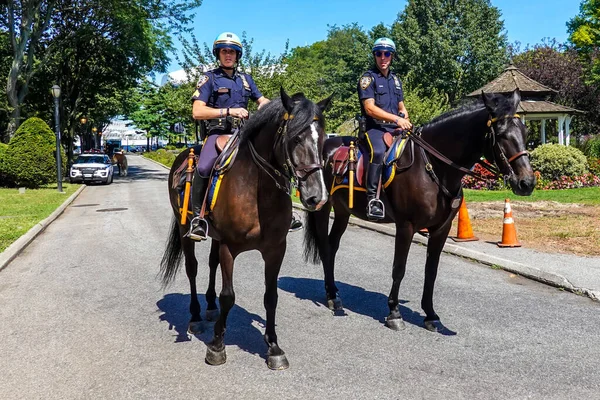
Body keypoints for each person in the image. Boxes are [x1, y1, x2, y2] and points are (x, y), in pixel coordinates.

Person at [187, 32, 301, 241]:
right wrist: (229, 111)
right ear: (218, 54)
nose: (228, 55)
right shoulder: (209, 78)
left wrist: (283, 109)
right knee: (204, 167)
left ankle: (287, 213)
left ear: (238, 55)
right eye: (224, 51)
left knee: (276, 160)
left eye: (232, 51)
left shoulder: (246, 79)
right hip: (218, 134)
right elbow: (197, 111)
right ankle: (198, 219)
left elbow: (261, 101)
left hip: (244, 134)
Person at [357, 37, 412, 220]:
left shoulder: (396, 80)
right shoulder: (368, 78)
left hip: (395, 128)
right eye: (379, 53)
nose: (383, 57)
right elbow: (370, 108)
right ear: (374, 56)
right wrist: (397, 119)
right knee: (379, 153)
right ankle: (372, 200)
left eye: (387, 53)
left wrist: (406, 119)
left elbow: (402, 106)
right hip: (375, 129)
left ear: (392, 56)